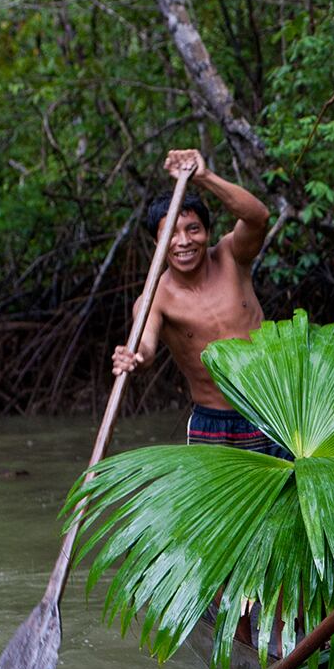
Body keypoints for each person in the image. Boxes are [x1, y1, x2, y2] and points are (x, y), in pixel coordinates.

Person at [110, 149, 280, 459]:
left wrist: (204, 177)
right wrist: (133, 357)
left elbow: (258, 217)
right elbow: (145, 346)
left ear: (207, 232)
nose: (184, 241)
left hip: (274, 409)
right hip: (214, 423)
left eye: (193, 229)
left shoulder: (232, 257)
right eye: (171, 234)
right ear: (157, 244)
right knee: (222, 509)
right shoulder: (155, 297)